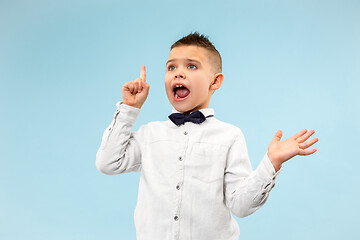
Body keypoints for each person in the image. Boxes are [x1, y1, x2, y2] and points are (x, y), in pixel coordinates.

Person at [96, 32, 318, 240]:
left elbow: (241, 205)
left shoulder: (230, 136)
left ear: (215, 81)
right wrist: (129, 109)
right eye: (171, 67)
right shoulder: (150, 134)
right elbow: (107, 163)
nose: (179, 73)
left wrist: (271, 163)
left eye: (192, 66)